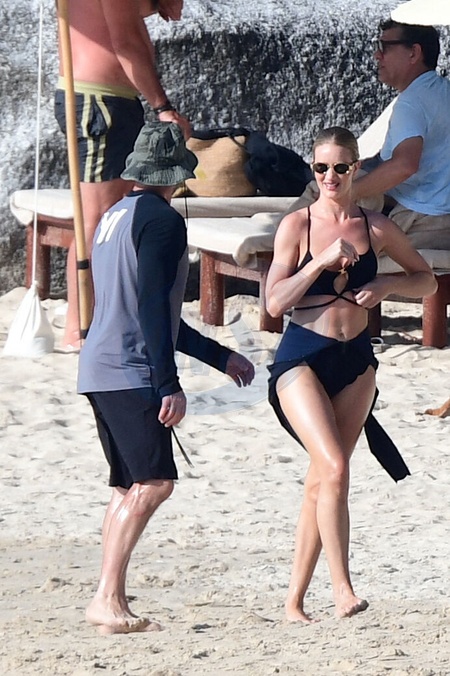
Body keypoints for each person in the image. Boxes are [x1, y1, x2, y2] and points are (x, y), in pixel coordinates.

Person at [77, 121, 255, 635]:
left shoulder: (114, 214)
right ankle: (106, 597)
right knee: (154, 484)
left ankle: (110, 597)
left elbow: (148, 309)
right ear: (177, 173)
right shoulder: (162, 222)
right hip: (130, 369)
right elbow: (154, 308)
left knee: (127, 486)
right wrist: (167, 384)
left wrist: (219, 356)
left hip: (98, 365)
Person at [265, 126, 436, 623]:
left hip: (356, 361)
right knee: (336, 467)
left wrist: (385, 285)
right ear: (312, 169)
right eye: (321, 168)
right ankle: (343, 589)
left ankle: (294, 602)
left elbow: (426, 280)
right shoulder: (297, 225)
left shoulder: (375, 227)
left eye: (340, 167)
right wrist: (319, 260)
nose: (331, 177)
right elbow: (274, 302)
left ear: (356, 168)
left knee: (324, 479)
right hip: (302, 358)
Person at [55, 0, 191, 350]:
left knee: (112, 215)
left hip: (108, 99)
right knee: (98, 219)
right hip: (99, 101)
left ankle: (94, 321)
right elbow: (126, 42)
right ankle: (80, 329)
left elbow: (109, 16)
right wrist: (163, 107)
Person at [353, 19, 450, 249]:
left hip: (420, 219)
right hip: (441, 214)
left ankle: (282, 251)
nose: (377, 55)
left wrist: (346, 194)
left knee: (322, 194)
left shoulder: (411, 103)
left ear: (413, 53)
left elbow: (404, 165)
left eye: (384, 47)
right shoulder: (443, 90)